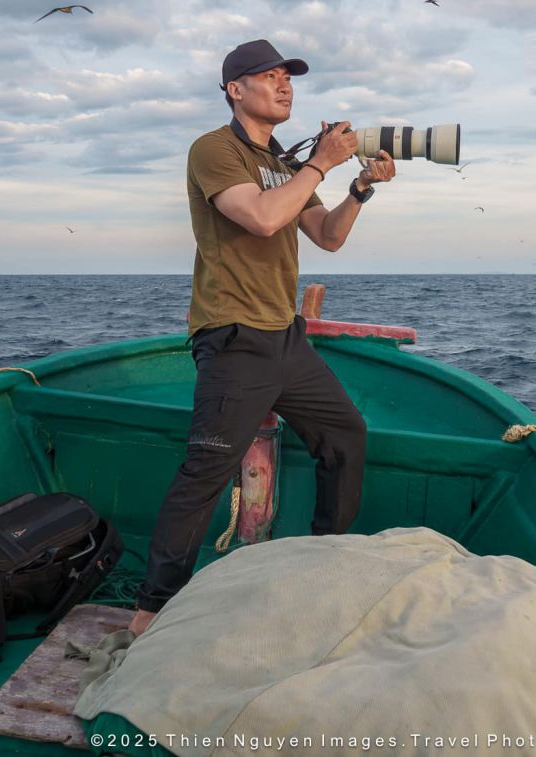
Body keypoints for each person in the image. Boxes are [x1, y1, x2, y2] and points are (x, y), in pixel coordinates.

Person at [128, 39, 396, 636]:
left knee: (346, 435)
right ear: (234, 89)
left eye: (288, 78)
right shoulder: (213, 150)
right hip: (234, 335)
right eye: (268, 76)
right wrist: (321, 163)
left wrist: (358, 190)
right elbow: (263, 217)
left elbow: (325, 235)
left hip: (285, 337)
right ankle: (151, 609)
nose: (285, 86)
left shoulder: (282, 159)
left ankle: (326, 563)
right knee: (207, 471)